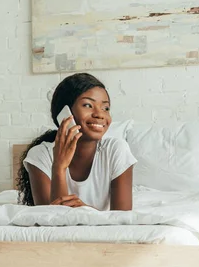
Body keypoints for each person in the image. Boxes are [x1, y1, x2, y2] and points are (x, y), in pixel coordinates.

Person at [16, 73, 137, 211]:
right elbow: (52, 220)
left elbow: (122, 219)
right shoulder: (40, 155)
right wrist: (59, 167)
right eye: (88, 105)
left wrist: (85, 210)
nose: (100, 114)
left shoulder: (116, 150)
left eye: (106, 108)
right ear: (64, 113)